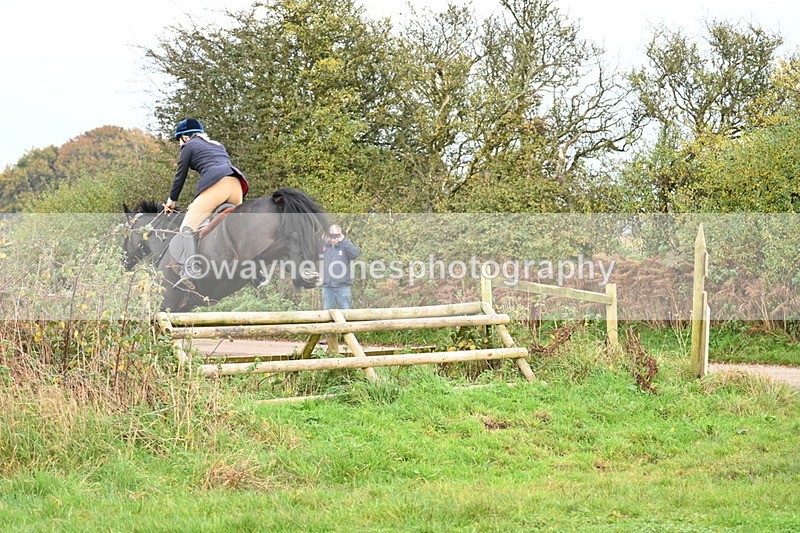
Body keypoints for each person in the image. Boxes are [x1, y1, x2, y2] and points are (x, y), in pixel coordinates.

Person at [165, 118, 249, 281]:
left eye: (179, 140)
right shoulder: (218, 145)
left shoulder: (188, 146)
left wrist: (171, 200)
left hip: (218, 184)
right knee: (238, 230)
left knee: (187, 228)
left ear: (185, 137)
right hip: (236, 184)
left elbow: (180, 176)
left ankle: (191, 268)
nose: (180, 144)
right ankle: (257, 270)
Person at [321, 224, 360, 310]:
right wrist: (322, 239)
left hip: (342, 287)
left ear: (340, 235)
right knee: (327, 314)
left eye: (336, 236)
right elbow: (311, 251)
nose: (333, 238)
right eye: (331, 235)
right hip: (327, 287)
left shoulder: (344, 246)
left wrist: (344, 240)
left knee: (346, 313)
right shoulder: (324, 247)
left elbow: (355, 254)